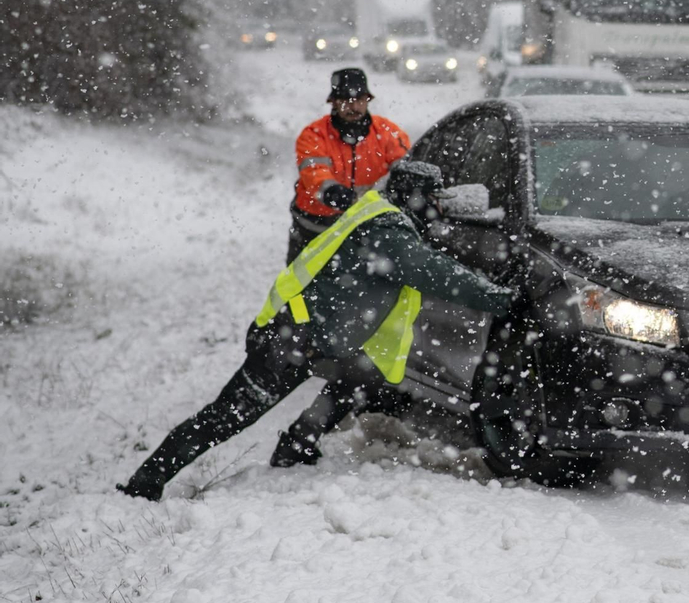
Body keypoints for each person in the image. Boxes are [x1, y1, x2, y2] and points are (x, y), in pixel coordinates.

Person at [117, 161, 515, 501]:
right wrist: (501, 297)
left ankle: (296, 447)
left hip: (320, 342)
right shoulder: (389, 234)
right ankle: (145, 483)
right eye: (433, 199)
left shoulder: (380, 216)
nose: (438, 208)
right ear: (414, 198)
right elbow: (438, 273)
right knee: (226, 417)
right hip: (291, 341)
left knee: (360, 382)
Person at [288, 67, 411, 263]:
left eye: (359, 100)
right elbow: (314, 173)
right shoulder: (313, 135)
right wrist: (331, 191)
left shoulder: (387, 132)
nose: (353, 106)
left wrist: (407, 184)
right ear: (334, 102)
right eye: (345, 100)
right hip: (315, 227)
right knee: (301, 279)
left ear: (368, 100)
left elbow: (404, 165)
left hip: (367, 227)